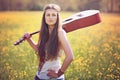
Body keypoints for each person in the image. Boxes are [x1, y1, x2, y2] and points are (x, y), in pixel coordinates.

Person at [24, 4, 74, 80]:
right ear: (44, 17)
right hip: (39, 76)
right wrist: (29, 40)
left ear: (57, 18)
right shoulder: (44, 32)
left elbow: (70, 57)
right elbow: (38, 49)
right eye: (48, 15)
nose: (50, 17)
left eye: (54, 15)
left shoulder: (60, 33)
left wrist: (59, 73)